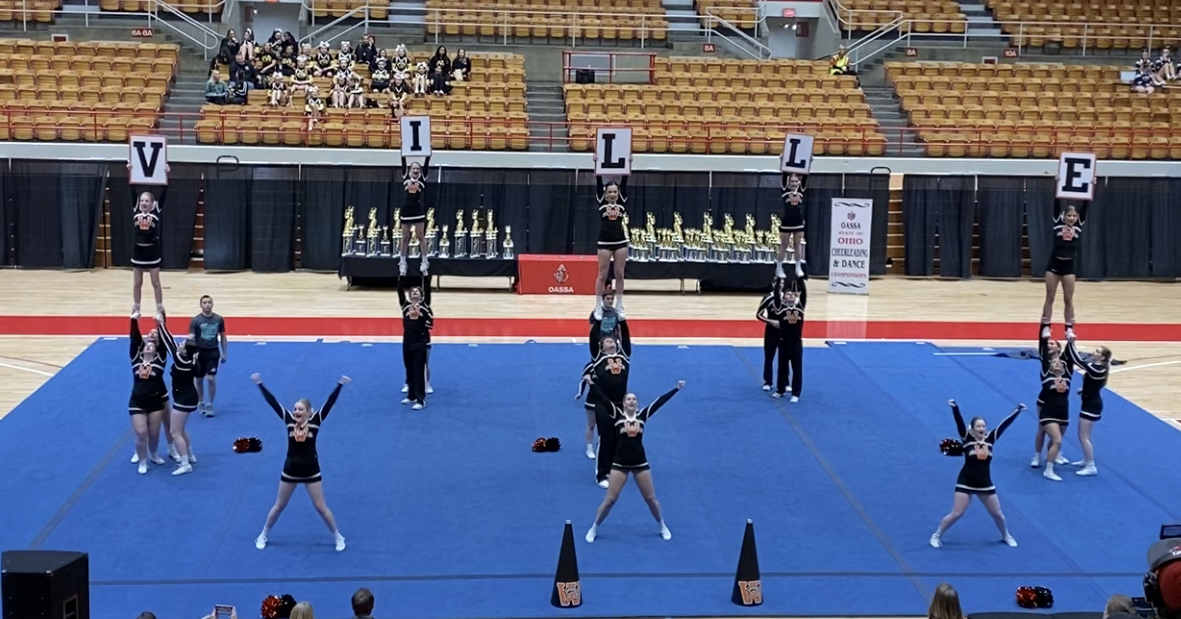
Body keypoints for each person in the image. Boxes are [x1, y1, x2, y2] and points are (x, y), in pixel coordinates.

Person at [251, 373, 350, 552]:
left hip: (311, 471)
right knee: (279, 505)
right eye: (295, 409)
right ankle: (263, 534)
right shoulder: (289, 421)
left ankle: (338, 536)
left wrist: (339, 385)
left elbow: (329, 403)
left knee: (321, 507)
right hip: (290, 470)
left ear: (309, 412)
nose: (296, 412)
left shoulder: (316, 422)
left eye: (300, 409)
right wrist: (260, 384)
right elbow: (273, 403)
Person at [584, 379, 685, 543]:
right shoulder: (616, 415)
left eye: (634, 399)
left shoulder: (642, 416)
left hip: (640, 463)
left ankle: (662, 525)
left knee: (651, 499)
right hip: (619, 464)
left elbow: (658, 403)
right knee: (610, 500)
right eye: (628, 399)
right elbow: (602, 398)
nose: (632, 401)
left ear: (637, 403)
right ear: (623, 403)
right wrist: (591, 384)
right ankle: (594, 527)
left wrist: (676, 389)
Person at [930, 399, 1023, 549]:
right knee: (956, 513)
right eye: (978, 426)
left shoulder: (991, 439)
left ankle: (1005, 535)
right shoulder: (967, 439)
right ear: (972, 429)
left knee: (998, 514)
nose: (982, 428)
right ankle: (936, 535)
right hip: (966, 481)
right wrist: (955, 408)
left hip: (984, 483)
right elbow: (959, 423)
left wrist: (1017, 411)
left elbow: (1003, 425)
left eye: (983, 426)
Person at [579, 334, 630, 488]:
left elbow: (626, 342)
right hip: (601, 403)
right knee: (602, 434)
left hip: (619, 404)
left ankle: (615, 466)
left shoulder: (624, 359)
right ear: (601, 347)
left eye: (614, 341)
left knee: (619, 437)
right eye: (608, 341)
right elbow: (593, 344)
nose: (612, 343)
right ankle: (602, 473)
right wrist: (597, 318)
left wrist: (622, 320)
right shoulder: (597, 361)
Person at [156, 313, 198, 475]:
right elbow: (173, 343)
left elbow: (169, 343)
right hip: (189, 396)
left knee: (174, 432)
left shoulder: (182, 361)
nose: (179, 344)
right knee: (180, 429)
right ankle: (191, 455)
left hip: (184, 398)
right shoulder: (191, 359)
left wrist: (161, 324)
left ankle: (186, 463)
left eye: (182, 344)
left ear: (185, 351)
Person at [1065, 331, 1111, 476]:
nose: (1093, 352)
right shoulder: (1098, 369)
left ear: (1102, 357)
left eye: (1097, 351)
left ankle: (1091, 466)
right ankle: (1086, 460)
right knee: (1083, 435)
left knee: (1083, 436)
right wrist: (1083, 390)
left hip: (1092, 406)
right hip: (1090, 401)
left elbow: (1077, 360)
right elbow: (1094, 384)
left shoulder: (1097, 369)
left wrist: (1071, 342)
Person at [128, 315, 170, 475]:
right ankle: (142, 460)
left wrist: (160, 321)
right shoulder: (136, 360)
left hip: (155, 402)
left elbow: (165, 342)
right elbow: (134, 339)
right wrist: (134, 320)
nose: (148, 347)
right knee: (141, 433)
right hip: (137, 401)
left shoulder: (160, 360)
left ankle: (153, 454)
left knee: (153, 434)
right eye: (146, 345)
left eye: (152, 347)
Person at [1032, 323, 1074, 481]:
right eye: (1054, 363)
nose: (1057, 364)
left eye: (1060, 363)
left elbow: (1069, 357)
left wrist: (1070, 337)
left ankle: (1051, 458)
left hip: (1063, 412)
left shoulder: (1068, 375)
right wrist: (1045, 332)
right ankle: (1046, 467)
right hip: (1047, 410)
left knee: (1055, 441)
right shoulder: (1046, 372)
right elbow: (1043, 351)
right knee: (1056, 439)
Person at [1040, 202, 1088, 336]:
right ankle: (1046, 325)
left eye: (1074, 216)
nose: (1071, 218)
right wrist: (1057, 183)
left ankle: (1069, 328)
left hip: (1069, 267)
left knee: (1068, 299)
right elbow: (1056, 202)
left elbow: (1086, 205)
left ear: (1077, 217)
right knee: (1050, 297)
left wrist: (1092, 185)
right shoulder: (1057, 223)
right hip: (1054, 265)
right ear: (1063, 216)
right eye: (1069, 215)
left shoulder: (1078, 226)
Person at [591, 158, 629, 319]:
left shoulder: (622, 201)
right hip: (604, 242)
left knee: (619, 274)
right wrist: (596, 163)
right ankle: (598, 306)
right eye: (610, 192)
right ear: (606, 194)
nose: (613, 194)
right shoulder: (601, 201)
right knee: (602, 275)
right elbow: (598, 181)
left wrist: (629, 163)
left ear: (618, 193)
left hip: (620, 241)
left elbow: (625, 180)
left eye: (615, 191)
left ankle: (619, 305)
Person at [398, 276, 433, 410]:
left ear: (421, 295)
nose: (414, 292)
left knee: (419, 370)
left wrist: (425, 273)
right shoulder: (405, 306)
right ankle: (411, 395)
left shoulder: (424, 306)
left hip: (420, 341)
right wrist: (402, 273)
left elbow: (428, 289)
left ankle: (420, 399)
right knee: (409, 369)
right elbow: (399, 290)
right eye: (412, 291)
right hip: (407, 341)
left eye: (417, 291)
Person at [190, 295, 228, 416]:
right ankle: (200, 400)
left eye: (209, 302)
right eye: (204, 303)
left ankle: (210, 404)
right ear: (201, 305)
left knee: (211, 378)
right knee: (199, 380)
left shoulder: (218, 319)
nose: (207, 305)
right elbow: (191, 338)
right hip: (199, 352)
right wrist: (190, 354)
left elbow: (223, 336)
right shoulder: (196, 321)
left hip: (213, 352)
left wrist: (224, 352)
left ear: (212, 304)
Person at [771, 275, 806, 401]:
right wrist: (780, 278)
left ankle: (796, 393)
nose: (791, 295)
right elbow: (776, 295)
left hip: (796, 343)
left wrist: (800, 279)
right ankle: (781, 389)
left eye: (793, 294)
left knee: (797, 368)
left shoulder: (800, 308)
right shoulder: (781, 308)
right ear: (784, 298)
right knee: (782, 367)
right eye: (788, 294)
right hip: (783, 342)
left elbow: (804, 294)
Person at [131, 191, 165, 318]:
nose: (144, 203)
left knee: (155, 283)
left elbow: (163, 193)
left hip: (152, 251)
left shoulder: (156, 212)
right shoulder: (136, 211)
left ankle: (159, 309)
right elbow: (132, 190)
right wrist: (130, 171)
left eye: (147, 201)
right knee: (137, 283)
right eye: (142, 201)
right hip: (138, 251)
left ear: (152, 204)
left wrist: (166, 173)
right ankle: (136, 308)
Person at [399, 156, 432, 276]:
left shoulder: (422, 178)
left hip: (418, 210)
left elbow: (427, 162)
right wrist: (402, 149)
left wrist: (429, 153)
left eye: (418, 168)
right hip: (406, 210)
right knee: (405, 238)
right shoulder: (405, 176)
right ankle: (402, 262)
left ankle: (424, 261)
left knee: (421, 236)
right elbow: (403, 161)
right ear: (410, 170)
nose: (416, 170)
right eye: (413, 168)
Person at [776, 173, 807, 279]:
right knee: (783, 245)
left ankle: (798, 267)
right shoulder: (785, 190)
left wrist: (809, 160)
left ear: (798, 182)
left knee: (797, 245)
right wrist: (783, 159)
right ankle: (779, 268)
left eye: (796, 181)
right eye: (792, 181)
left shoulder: (801, 190)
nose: (794, 183)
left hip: (798, 221)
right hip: (787, 221)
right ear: (789, 182)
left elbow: (805, 175)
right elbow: (784, 175)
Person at [756, 278, 782, 392]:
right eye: (778, 283)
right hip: (771, 330)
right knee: (769, 356)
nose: (780, 285)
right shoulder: (768, 298)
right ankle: (768, 381)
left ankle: (784, 382)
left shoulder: (786, 298)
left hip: (784, 331)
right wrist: (771, 321)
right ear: (773, 284)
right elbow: (758, 315)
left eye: (782, 283)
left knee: (784, 358)